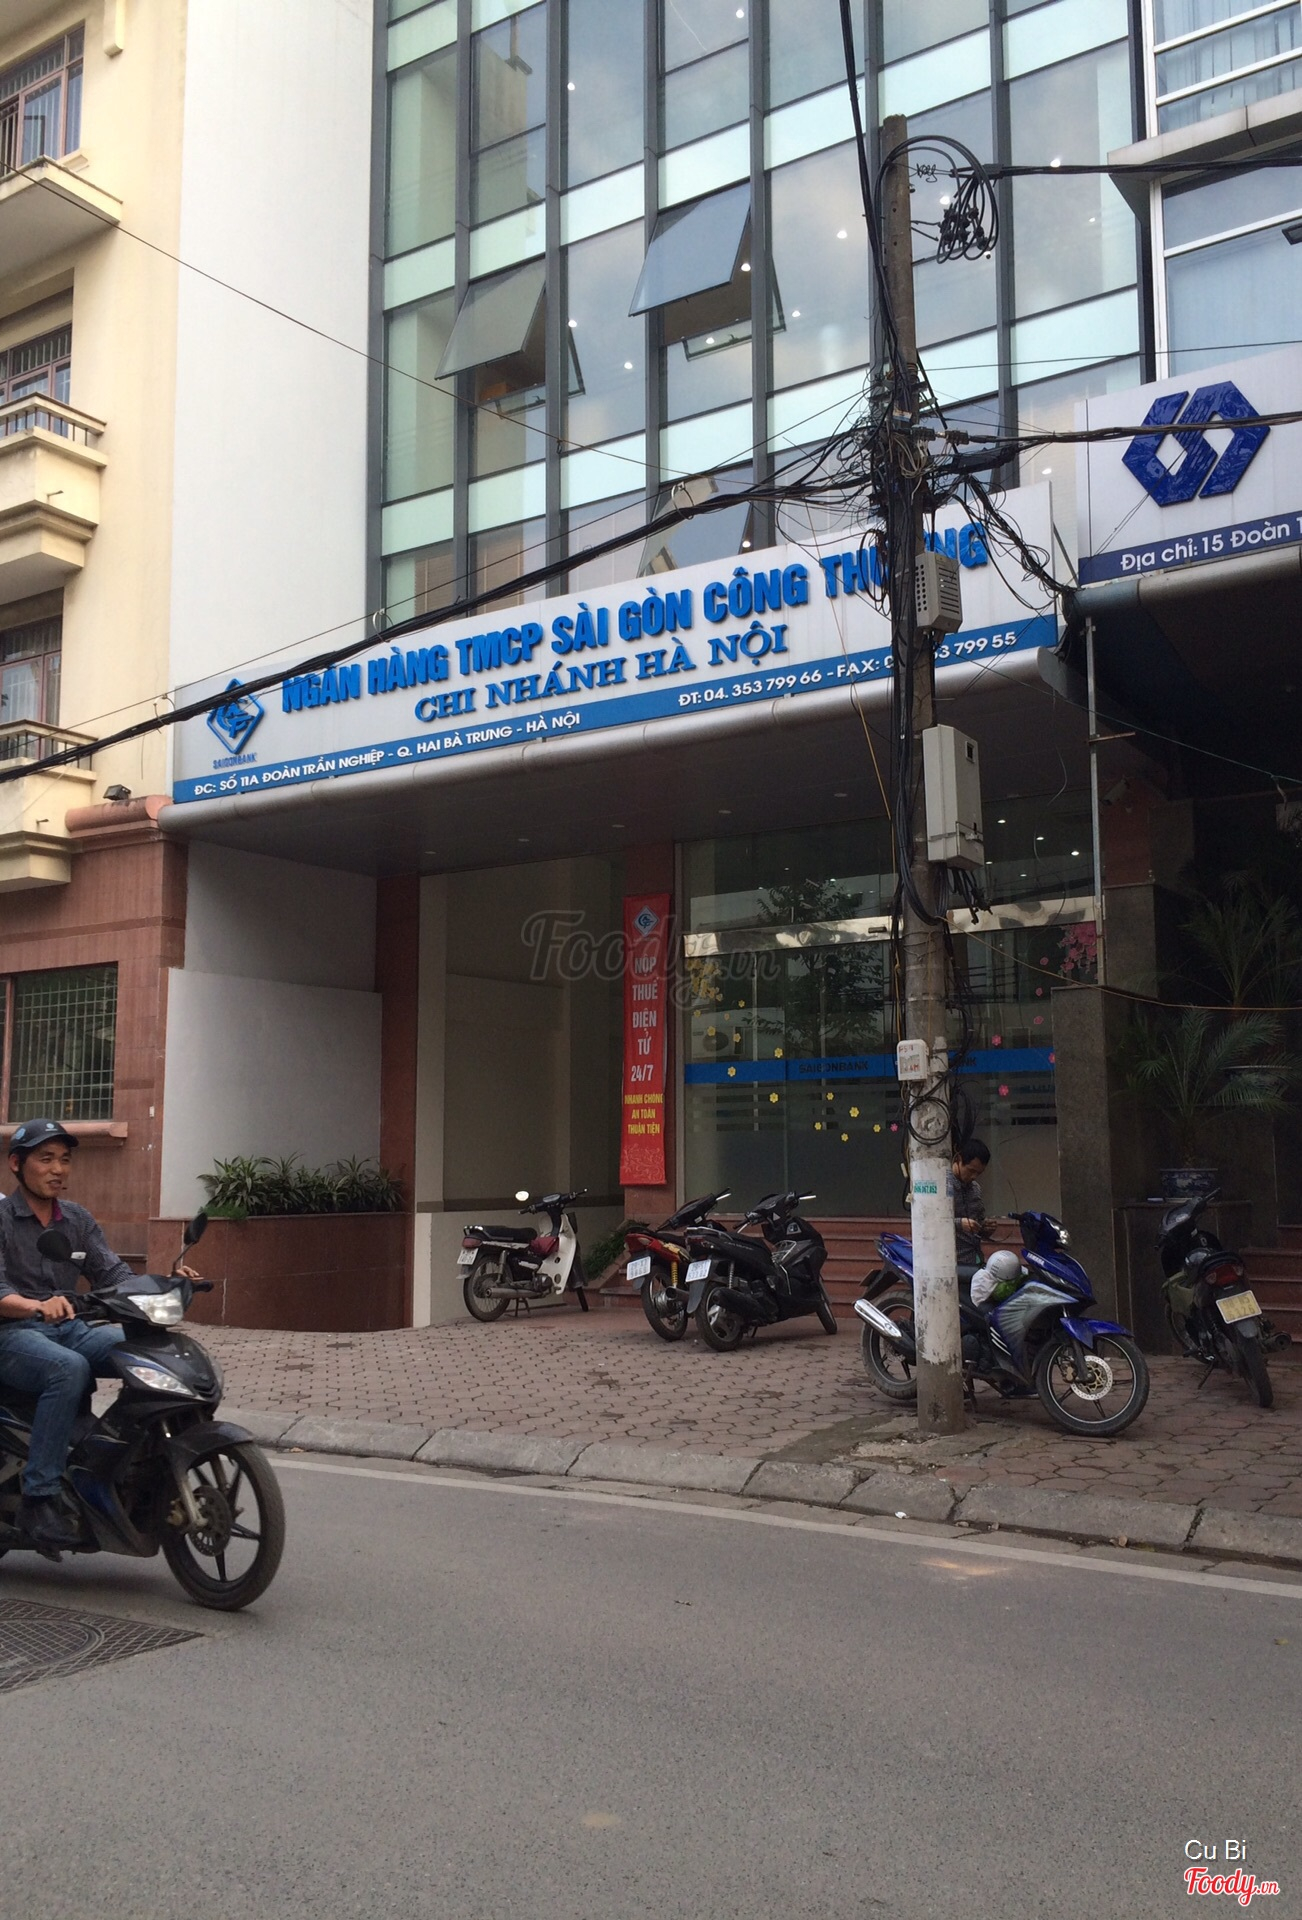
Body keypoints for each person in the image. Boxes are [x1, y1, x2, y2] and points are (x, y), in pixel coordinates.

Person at [0, 1119, 196, 1551]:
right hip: (12, 1334)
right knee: (67, 1369)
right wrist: (34, 1305)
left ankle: (126, 1460)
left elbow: (115, 1275)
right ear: (17, 1164)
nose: (58, 1169)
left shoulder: (77, 1219)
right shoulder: (2, 1220)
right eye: (45, 1159)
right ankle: (39, 1497)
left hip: (70, 1328)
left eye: (64, 1160)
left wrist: (166, 1285)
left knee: (147, 1350)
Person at [953, 1138, 991, 1272]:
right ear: (958, 1159)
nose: (974, 1176)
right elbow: (931, 1221)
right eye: (970, 1170)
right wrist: (959, 1223)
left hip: (974, 1259)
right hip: (952, 1261)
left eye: (978, 1173)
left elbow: (979, 1222)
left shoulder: (975, 1189)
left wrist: (986, 1227)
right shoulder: (943, 1184)